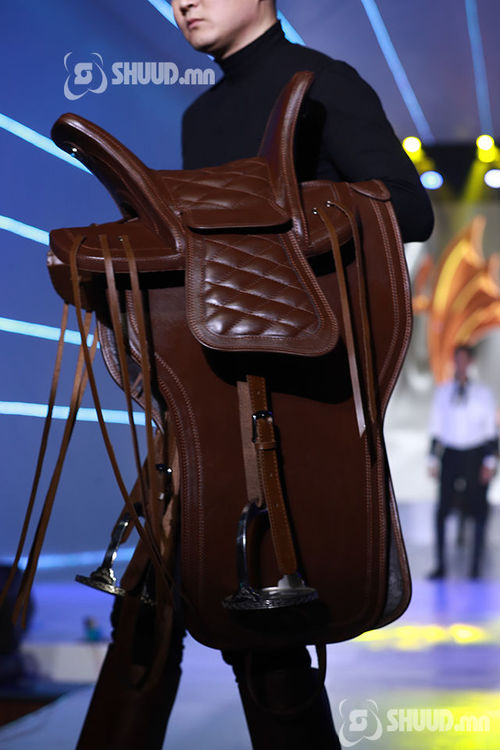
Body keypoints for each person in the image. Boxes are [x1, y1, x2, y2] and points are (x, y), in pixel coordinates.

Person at [78, 2, 434, 748]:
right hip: (202, 397)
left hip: (288, 403)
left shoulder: (326, 84)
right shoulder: (201, 116)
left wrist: (286, 213)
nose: (184, 0)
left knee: (262, 634)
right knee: (146, 608)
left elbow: (408, 208)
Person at [427, 345, 498, 579]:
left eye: (464, 360)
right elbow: (436, 428)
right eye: (457, 359)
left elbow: (490, 431)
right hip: (451, 455)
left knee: (478, 511)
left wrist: (489, 462)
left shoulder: (483, 394)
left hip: (475, 455)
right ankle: (440, 565)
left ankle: (475, 566)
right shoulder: (443, 392)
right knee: (442, 510)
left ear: (471, 362)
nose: (461, 364)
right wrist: (432, 458)